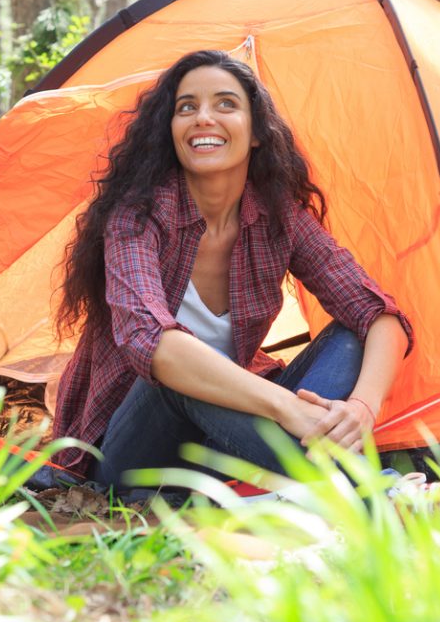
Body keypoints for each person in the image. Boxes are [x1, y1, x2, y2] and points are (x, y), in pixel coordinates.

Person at [51, 50, 413, 489]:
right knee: (178, 366)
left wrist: (362, 408)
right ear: (171, 131)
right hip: (129, 458)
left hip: (227, 444)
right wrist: (288, 407)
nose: (204, 118)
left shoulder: (279, 218)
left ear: (256, 132)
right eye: (187, 107)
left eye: (226, 104)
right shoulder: (136, 218)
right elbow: (152, 344)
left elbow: (381, 316)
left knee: (354, 333)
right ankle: (372, 491)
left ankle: (318, 489)